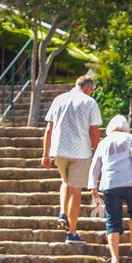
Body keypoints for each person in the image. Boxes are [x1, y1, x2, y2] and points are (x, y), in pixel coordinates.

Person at [42, 73, 102, 244]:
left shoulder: (59, 99)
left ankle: (62, 213)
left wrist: (45, 154)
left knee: (65, 181)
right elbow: (94, 131)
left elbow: (49, 129)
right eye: (92, 91)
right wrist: (98, 152)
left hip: (58, 150)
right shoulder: (90, 103)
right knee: (75, 191)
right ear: (88, 88)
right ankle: (72, 232)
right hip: (80, 152)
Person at [87, 115, 132, 263]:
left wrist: (93, 189)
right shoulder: (131, 137)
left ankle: (115, 258)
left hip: (110, 184)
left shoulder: (104, 142)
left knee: (112, 220)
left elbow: (95, 166)